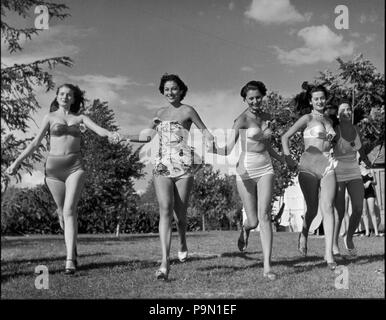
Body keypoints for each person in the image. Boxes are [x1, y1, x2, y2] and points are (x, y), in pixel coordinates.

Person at [6, 84, 120, 275]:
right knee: (61, 212)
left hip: (75, 167)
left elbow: (100, 130)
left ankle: (69, 260)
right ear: (57, 97)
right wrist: (17, 162)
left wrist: (111, 135)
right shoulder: (49, 118)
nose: (65, 97)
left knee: (69, 210)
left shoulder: (80, 118)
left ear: (74, 99)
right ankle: (72, 247)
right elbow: (35, 143)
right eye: (62, 94)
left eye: (69, 95)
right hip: (53, 170)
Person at [125, 73, 215, 280]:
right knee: (165, 209)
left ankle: (182, 240)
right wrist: (123, 137)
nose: (170, 92)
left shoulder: (188, 110)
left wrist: (211, 141)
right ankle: (164, 262)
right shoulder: (159, 112)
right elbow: (146, 136)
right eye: (166, 89)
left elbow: (205, 131)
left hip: (184, 166)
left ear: (181, 90)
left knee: (180, 215)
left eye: (174, 88)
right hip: (162, 164)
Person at [210, 80, 287, 280]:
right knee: (253, 221)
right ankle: (245, 228)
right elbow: (228, 148)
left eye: (258, 97)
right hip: (245, 171)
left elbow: (268, 146)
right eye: (250, 98)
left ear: (263, 96)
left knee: (265, 216)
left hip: (265, 168)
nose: (255, 101)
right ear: (245, 99)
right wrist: (212, 148)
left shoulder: (268, 117)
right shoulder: (241, 120)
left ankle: (267, 266)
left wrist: (284, 159)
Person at [281, 84, 337, 269]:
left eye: (322, 98)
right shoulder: (307, 118)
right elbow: (285, 137)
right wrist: (288, 158)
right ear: (311, 101)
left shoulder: (330, 120)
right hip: (309, 166)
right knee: (312, 209)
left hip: (328, 165)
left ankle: (328, 254)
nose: (320, 101)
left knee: (328, 207)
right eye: (316, 98)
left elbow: (333, 144)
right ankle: (304, 232)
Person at [332, 100, 371, 257]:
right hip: (338, 172)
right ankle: (334, 244)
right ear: (338, 115)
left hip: (354, 171)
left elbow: (360, 149)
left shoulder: (356, 129)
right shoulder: (336, 130)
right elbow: (326, 146)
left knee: (358, 208)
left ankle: (349, 237)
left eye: (349, 109)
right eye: (343, 110)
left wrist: (367, 162)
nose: (347, 112)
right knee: (340, 212)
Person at [360, 160, 382, 237]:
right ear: (360, 163)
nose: (364, 163)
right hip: (361, 193)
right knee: (364, 212)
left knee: (372, 211)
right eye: (362, 162)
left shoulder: (371, 170)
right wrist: (361, 184)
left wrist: (370, 182)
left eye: (365, 162)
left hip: (370, 192)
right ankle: (367, 231)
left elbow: (375, 182)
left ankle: (376, 232)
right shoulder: (358, 171)